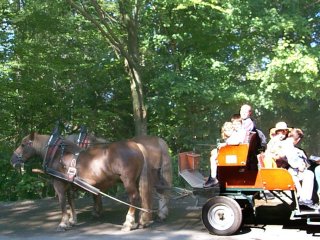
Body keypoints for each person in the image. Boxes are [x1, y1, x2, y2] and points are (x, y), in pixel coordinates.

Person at [204, 114, 248, 188]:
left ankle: (213, 178)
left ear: (241, 123)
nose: (235, 126)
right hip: (236, 153)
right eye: (234, 124)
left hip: (237, 156)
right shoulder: (238, 132)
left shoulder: (241, 131)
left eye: (237, 124)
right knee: (214, 153)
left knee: (213, 158)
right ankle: (212, 176)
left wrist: (225, 144)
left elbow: (237, 142)